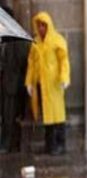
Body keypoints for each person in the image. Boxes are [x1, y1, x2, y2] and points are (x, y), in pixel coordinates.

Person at [24, 11, 70, 155]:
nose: (41, 28)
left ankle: (60, 144)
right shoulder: (35, 43)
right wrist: (29, 82)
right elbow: (31, 63)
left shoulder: (57, 41)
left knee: (58, 115)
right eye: (39, 26)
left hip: (54, 84)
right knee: (47, 116)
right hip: (41, 85)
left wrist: (64, 78)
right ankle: (50, 145)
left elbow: (64, 61)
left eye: (44, 25)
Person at [0, 4, 31, 154]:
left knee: (9, 117)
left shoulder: (18, 39)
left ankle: (8, 145)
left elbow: (24, 63)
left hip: (12, 85)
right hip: (4, 83)